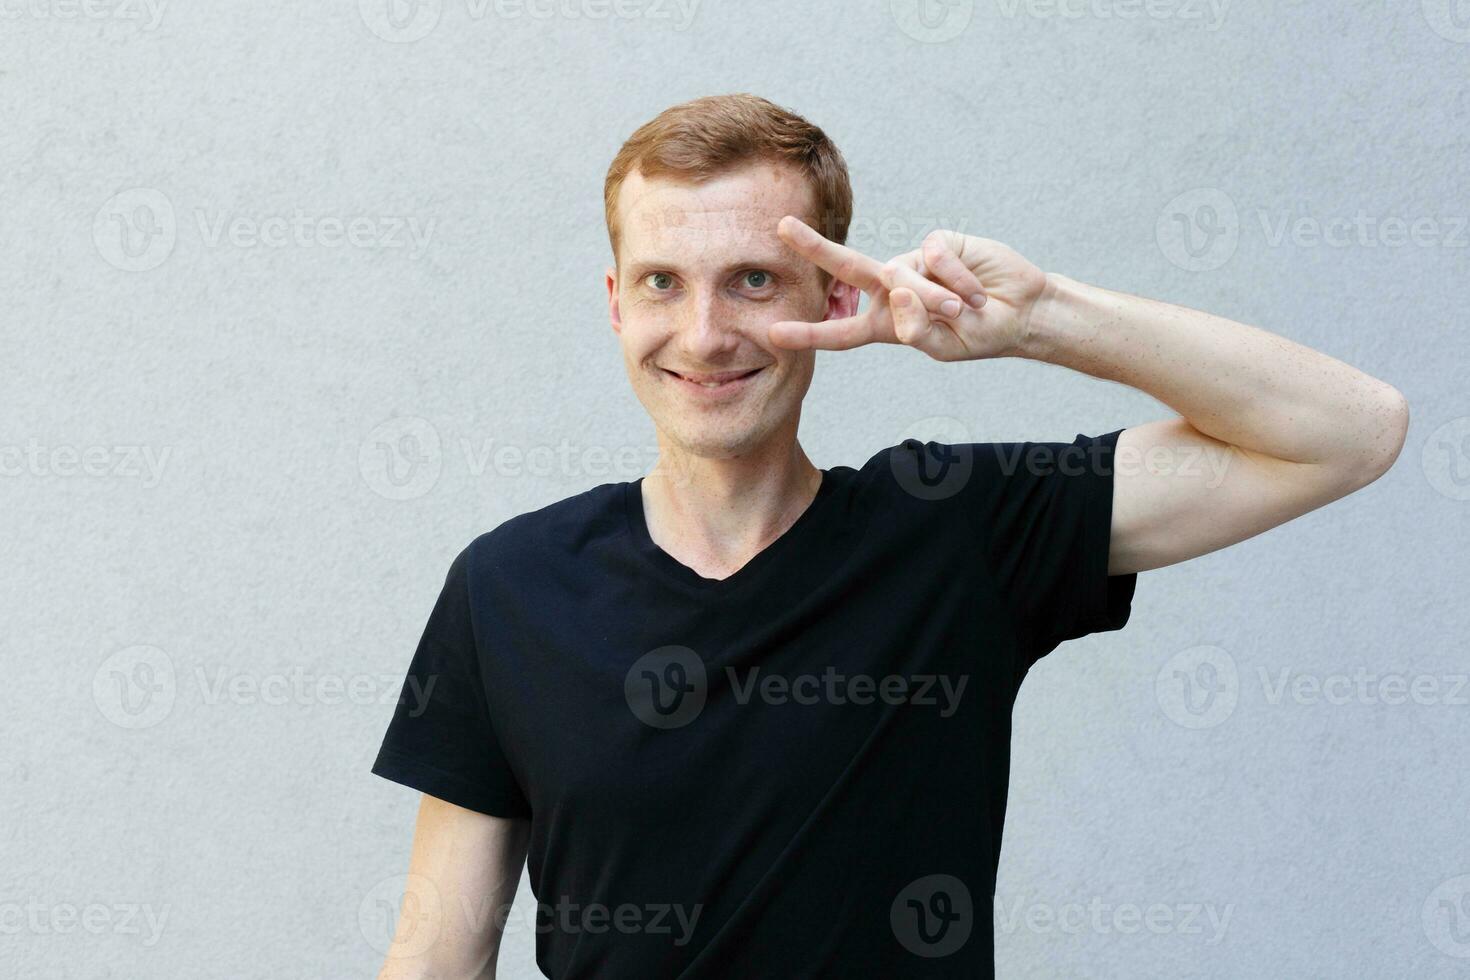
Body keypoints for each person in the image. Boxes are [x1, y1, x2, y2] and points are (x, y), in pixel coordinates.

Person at [370, 93, 1408, 979]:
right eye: (661, 282)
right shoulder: (505, 586)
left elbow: (1349, 432)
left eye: (753, 278)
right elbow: (436, 958)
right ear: (613, 304)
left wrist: (1040, 316)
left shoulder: (960, 526)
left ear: (836, 293)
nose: (704, 334)